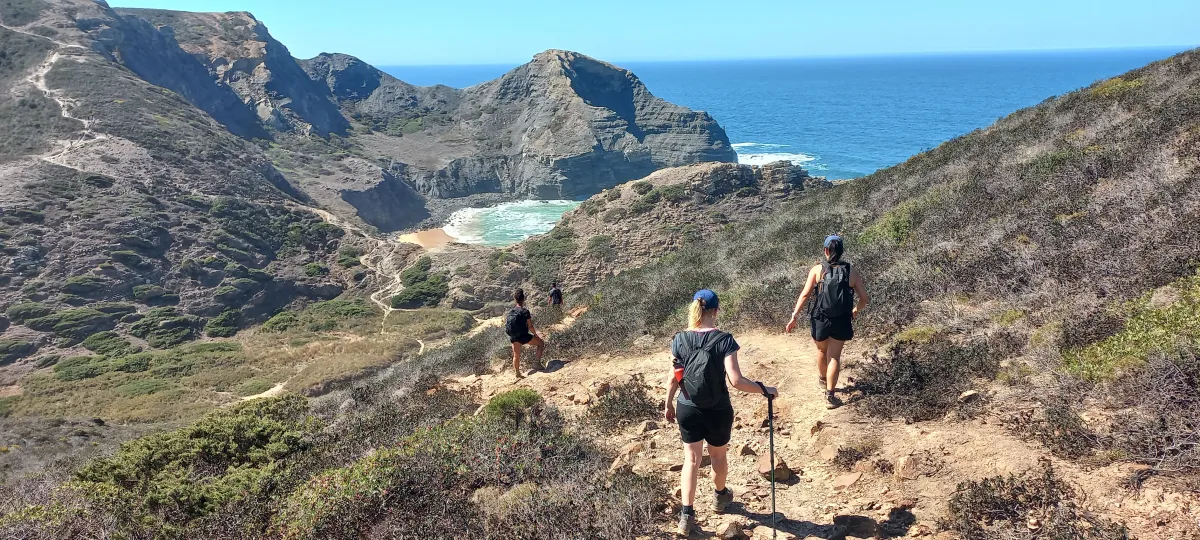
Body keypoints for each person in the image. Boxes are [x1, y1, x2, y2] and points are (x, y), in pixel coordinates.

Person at [666, 289, 778, 536]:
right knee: (717, 456)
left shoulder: (679, 339)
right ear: (716, 311)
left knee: (691, 460)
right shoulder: (725, 340)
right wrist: (765, 390)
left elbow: (675, 377)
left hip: (688, 407)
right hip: (718, 409)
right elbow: (736, 381)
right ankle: (719, 497)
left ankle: (686, 516)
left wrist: (668, 403)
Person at [784, 235, 870, 409]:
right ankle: (830, 394)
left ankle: (823, 380)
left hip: (820, 318)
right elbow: (864, 299)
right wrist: (855, 310)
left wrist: (794, 316)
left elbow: (805, 294)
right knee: (835, 357)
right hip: (841, 319)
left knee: (821, 350)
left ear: (825, 250)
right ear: (842, 250)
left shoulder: (817, 270)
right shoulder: (850, 271)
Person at [504, 289, 544, 378]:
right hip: (524, 337)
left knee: (516, 355)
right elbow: (530, 326)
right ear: (523, 299)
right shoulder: (525, 311)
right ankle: (536, 363)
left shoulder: (510, 312)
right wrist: (536, 335)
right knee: (541, 344)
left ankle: (517, 373)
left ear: (515, 299)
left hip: (514, 337)